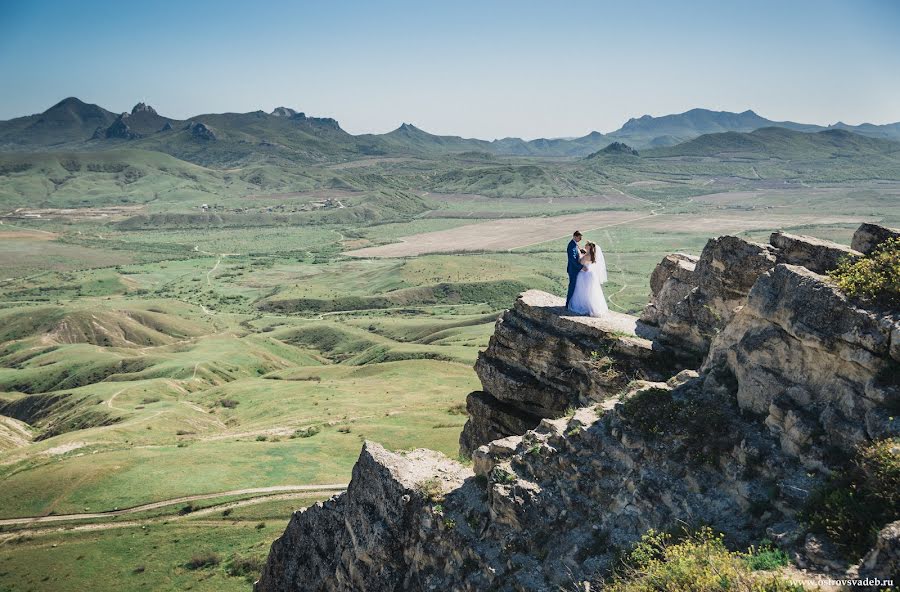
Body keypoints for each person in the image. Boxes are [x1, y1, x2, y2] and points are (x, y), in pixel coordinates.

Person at [568, 241, 609, 317]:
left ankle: (585, 306)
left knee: (583, 291)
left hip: (585, 275)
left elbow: (580, 263)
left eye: (586, 245)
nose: (585, 245)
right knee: (590, 292)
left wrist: (579, 255)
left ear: (589, 247)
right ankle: (591, 306)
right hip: (591, 274)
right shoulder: (591, 255)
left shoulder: (587, 256)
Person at [565, 231, 584, 308]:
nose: (580, 239)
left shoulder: (574, 244)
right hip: (573, 270)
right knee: (572, 286)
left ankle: (572, 303)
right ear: (575, 236)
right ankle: (568, 304)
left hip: (574, 269)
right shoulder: (571, 245)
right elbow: (572, 259)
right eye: (579, 237)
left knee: (575, 286)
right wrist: (581, 267)